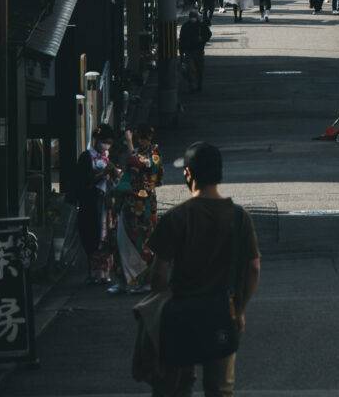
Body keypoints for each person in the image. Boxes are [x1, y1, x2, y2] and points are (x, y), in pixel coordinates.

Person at [136, 142, 261, 397]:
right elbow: (254, 269)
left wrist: (161, 304)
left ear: (188, 174)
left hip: (180, 314)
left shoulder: (176, 217)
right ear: (219, 173)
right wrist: (239, 309)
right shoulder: (240, 217)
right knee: (219, 388)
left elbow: (158, 272)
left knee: (177, 387)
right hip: (221, 312)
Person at [109, 125, 164, 294]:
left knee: (143, 245)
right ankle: (123, 280)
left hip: (144, 207)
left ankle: (145, 281)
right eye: (139, 138)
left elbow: (141, 164)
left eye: (143, 138)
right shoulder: (138, 155)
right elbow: (129, 171)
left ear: (149, 139)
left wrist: (129, 142)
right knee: (123, 243)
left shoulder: (154, 156)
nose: (141, 141)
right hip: (129, 206)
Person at [76, 124, 120, 283]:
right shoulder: (86, 157)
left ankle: (105, 273)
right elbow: (83, 181)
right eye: (104, 141)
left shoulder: (109, 157)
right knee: (92, 235)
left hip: (107, 204)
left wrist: (114, 173)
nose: (106, 145)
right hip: (92, 204)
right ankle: (94, 273)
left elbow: (117, 180)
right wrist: (103, 173)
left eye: (109, 142)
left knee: (107, 237)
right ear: (97, 140)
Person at [179, 9, 212, 92]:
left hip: (199, 50)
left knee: (199, 69)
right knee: (191, 69)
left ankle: (198, 84)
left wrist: (203, 39)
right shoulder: (186, 26)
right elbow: (182, 40)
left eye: (194, 16)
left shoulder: (201, 25)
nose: (193, 18)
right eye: (192, 16)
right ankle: (193, 85)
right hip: (190, 51)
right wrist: (182, 52)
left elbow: (208, 34)